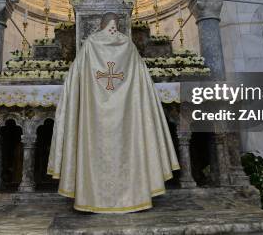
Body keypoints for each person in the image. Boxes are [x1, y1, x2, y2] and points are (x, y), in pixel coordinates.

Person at [47, 12, 179, 213]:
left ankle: (91, 196)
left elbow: (74, 79)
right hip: (128, 115)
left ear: (101, 25)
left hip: (93, 116)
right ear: (117, 24)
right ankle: (133, 196)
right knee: (130, 145)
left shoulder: (90, 44)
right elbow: (143, 82)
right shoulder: (129, 46)